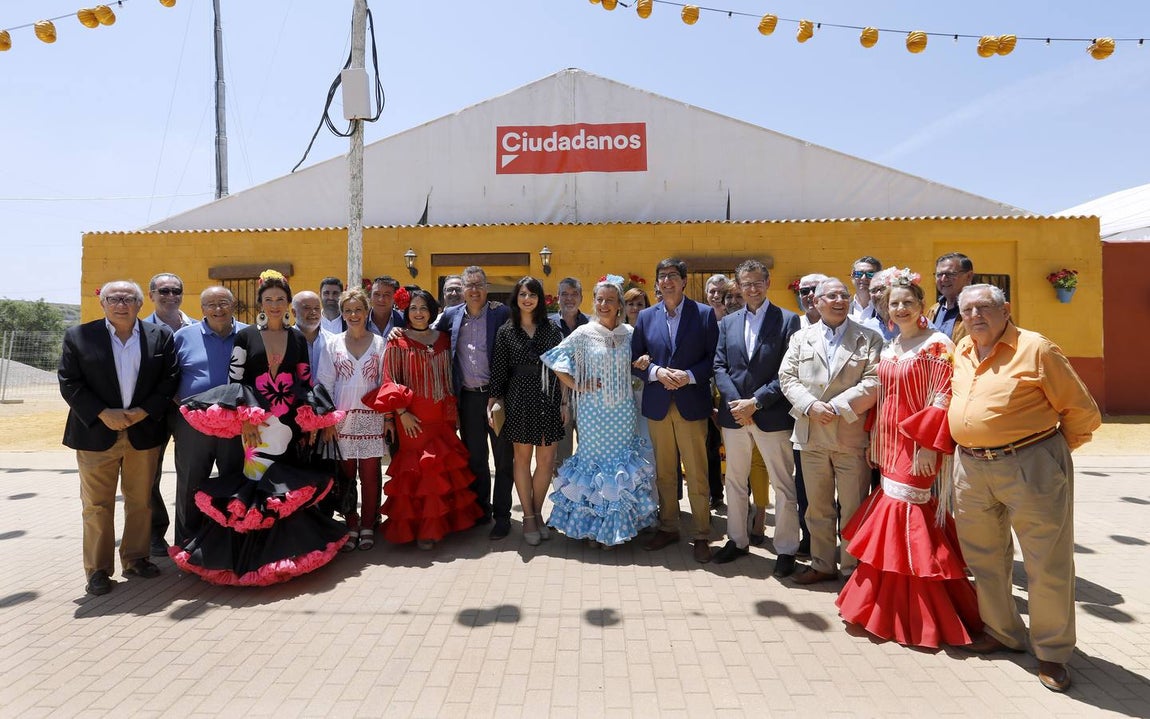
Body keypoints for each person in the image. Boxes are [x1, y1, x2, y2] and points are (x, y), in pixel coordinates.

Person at [949, 284, 1101, 693]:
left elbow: (1082, 412)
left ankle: (1052, 652)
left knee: (1046, 562)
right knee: (983, 557)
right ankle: (1002, 632)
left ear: (1006, 310)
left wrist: (1048, 452)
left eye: (985, 307)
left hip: (1030, 464)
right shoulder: (961, 349)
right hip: (971, 467)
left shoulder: (1036, 349)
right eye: (968, 309)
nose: (976, 315)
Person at [170, 270, 349, 585]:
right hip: (256, 429)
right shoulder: (246, 336)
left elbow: (305, 380)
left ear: (287, 303)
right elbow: (235, 382)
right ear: (260, 303)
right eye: (270, 299)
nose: (276, 304)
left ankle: (289, 555)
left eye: (281, 299)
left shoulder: (296, 337)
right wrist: (245, 421)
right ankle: (249, 559)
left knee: (286, 490)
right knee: (257, 488)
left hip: (289, 427)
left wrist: (308, 421)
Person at [835, 269, 982, 648]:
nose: (900, 308)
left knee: (908, 516)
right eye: (894, 303)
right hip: (888, 443)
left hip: (917, 446)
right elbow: (883, 399)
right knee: (896, 516)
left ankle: (919, 613)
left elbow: (941, 397)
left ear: (921, 305)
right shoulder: (891, 346)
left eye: (908, 302)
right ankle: (887, 605)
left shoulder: (936, 344)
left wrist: (928, 445)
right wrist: (873, 439)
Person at [60, 280, 179, 596]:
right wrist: (102, 412)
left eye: (128, 298)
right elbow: (69, 383)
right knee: (97, 505)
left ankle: (136, 559)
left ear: (141, 303)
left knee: (141, 501)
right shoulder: (80, 336)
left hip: (144, 432)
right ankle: (98, 570)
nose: (121, 304)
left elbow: (169, 381)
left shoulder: (160, 336)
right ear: (103, 303)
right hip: (96, 434)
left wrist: (144, 411)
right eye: (114, 298)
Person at [779, 277, 882, 585]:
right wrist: (811, 405)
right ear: (818, 302)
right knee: (817, 506)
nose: (839, 300)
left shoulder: (868, 338)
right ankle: (823, 563)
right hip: (810, 435)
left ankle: (852, 569)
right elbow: (787, 377)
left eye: (843, 295)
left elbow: (874, 381)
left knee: (852, 506)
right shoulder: (801, 337)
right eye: (832, 296)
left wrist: (836, 407)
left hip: (849, 435)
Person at [543, 275, 657, 546]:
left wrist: (643, 360)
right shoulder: (584, 333)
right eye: (599, 300)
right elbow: (555, 358)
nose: (604, 304)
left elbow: (645, 358)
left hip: (623, 412)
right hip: (593, 413)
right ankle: (592, 527)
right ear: (594, 302)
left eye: (610, 300)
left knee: (621, 466)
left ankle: (617, 527)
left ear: (620, 305)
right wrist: (576, 384)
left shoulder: (630, 333)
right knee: (594, 465)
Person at [365, 290, 481, 549]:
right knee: (418, 470)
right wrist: (400, 414)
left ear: (432, 311)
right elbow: (389, 381)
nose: (418, 313)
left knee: (442, 469)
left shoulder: (443, 339)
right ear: (406, 312)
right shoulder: (397, 341)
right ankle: (420, 529)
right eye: (413, 308)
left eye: (423, 308)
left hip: (442, 416)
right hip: (412, 418)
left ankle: (442, 523)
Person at [711, 260, 801, 574]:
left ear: (767, 282)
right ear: (739, 285)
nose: (752, 288)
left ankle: (787, 549)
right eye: (746, 283)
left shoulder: (788, 321)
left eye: (757, 282)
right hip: (735, 415)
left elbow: (789, 372)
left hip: (771, 415)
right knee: (734, 481)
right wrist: (738, 403)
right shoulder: (727, 323)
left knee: (782, 483)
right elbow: (719, 366)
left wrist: (756, 402)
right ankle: (737, 540)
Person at [631, 258, 720, 563]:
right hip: (658, 404)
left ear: (683, 280)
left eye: (672, 276)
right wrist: (655, 372)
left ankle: (702, 533)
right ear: (656, 283)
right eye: (661, 277)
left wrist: (689, 375)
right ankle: (668, 526)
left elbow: (713, 359)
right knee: (665, 472)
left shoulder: (705, 314)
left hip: (691, 402)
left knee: (696, 472)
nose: (666, 281)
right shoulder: (645, 317)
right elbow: (637, 359)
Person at [433, 266, 515, 539]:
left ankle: (503, 516)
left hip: (497, 398)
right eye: (469, 286)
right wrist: (399, 333)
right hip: (467, 398)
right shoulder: (451, 316)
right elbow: (427, 335)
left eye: (479, 285)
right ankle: (482, 510)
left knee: (504, 459)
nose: (474, 290)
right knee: (476, 459)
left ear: (487, 287)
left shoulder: (500, 313)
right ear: (463, 289)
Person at [489, 276, 566, 545]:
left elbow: (563, 368)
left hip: (549, 396)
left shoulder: (553, 330)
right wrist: (494, 399)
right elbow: (498, 371)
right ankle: (530, 519)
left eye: (532, 294)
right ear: (516, 298)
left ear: (540, 298)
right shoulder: (506, 331)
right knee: (521, 460)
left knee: (546, 461)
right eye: (522, 294)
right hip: (519, 398)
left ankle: (534, 512)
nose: (527, 299)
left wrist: (565, 401)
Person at [170, 287, 247, 547]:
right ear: (202, 308)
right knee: (190, 482)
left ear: (233, 304)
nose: (218, 309)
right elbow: (169, 379)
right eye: (211, 304)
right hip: (193, 426)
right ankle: (187, 544)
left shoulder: (249, 335)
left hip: (236, 426)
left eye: (223, 302)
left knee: (235, 482)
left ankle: (231, 543)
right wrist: (187, 409)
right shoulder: (183, 337)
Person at [316, 288, 389, 551]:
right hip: (341, 419)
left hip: (372, 417)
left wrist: (388, 418)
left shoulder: (381, 344)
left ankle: (369, 524)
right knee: (346, 476)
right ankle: (351, 524)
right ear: (343, 313)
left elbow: (385, 383)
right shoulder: (332, 343)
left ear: (367, 310)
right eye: (348, 310)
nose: (353, 314)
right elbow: (324, 383)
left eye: (358, 309)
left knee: (370, 475)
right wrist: (327, 421)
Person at [142, 271, 195, 557]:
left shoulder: (197, 327)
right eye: (163, 291)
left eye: (176, 290)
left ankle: (188, 535)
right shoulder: (138, 330)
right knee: (149, 476)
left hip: (189, 413)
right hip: (153, 413)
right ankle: (154, 533)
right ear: (151, 296)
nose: (170, 296)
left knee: (190, 473)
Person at [551, 276, 590, 474]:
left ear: (582, 297)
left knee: (590, 453)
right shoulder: (548, 325)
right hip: (558, 400)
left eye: (574, 294)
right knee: (561, 458)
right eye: (564, 294)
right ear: (557, 297)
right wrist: (562, 402)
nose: (569, 299)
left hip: (589, 400)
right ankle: (562, 501)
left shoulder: (592, 325)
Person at [928, 252, 975, 342]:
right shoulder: (933, 310)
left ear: (969, 276)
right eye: (939, 275)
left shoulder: (981, 310)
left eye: (950, 274)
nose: (943, 279)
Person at [294, 290, 335, 375]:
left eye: (317, 308)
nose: (313, 312)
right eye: (307, 308)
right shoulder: (285, 340)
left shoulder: (333, 341)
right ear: (294, 312)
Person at [848, 256, 882, 324]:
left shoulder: (885, 309)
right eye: (859, 274)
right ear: (852, 276)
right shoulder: (844, 308)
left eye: (870, 274)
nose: (863, 278)